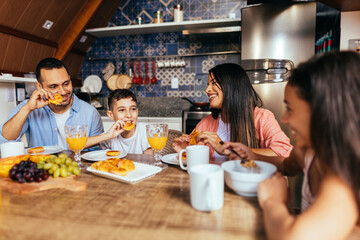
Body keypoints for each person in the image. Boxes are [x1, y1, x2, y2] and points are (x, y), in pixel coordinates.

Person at [219, 51, 360, 240]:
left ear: (324, 113)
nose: (284, 119)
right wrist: (252, 155)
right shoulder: (309, 151)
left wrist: (272, 201)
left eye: (290, 109)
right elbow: (286, 165)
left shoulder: (343, 181)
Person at [173, 63, 293, 159]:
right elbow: (197, 159)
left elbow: (284, 153)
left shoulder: (262, 118)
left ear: (233, 87)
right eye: (208, 84)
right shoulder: (206, 123)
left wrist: (228, 150)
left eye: (213, 83)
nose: (207, 89)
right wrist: (186, 150)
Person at [0, 57, 104, 150]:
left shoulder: (91, 113)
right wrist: (28, 108)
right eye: (53, 86)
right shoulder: (27, 107)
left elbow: (95, 155)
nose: (63, 92)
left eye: (66, 83)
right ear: (40, 87)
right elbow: (5, 140)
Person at [84, 89, 153, 155]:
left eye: (133, 109)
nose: (129, 115)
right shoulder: (109, 135)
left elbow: (149, 162)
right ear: (111, 115)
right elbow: (77, 146)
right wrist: (107, 136)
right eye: (122, 110)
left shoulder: (146, 130)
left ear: (137, 112)